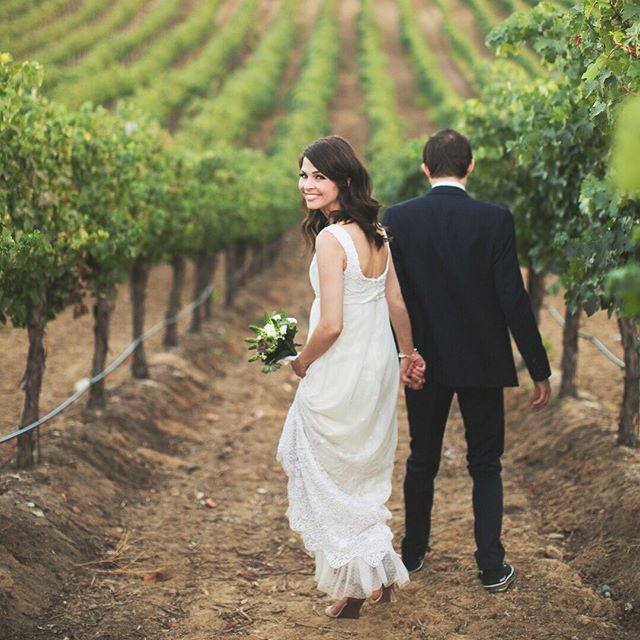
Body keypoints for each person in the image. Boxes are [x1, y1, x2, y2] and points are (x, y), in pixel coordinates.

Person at [382, 129, 551, 593]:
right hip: (483, 362)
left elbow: (391, 298)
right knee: (486, 464)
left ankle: (412, 553)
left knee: (421, 460)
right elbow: (512, 298)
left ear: (425, 168)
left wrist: (400, 356)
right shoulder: (495, 220)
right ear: (471, 167)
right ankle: (491, 566)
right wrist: (537, 367)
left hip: (423, 361)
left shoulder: (398, 218)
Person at [276, 135, 426, 619]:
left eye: (318, 176)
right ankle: (372, 574)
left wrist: (300, 362)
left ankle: (356, 581)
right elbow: (395, 301)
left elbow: (332, 323)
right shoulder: (378, 233)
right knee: (360, 470)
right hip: (377, 364)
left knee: (326, 466)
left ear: (343, 180)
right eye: (303, 174)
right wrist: (408, 354)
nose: (307, 185)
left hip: (342, 365)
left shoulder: (329, 238)